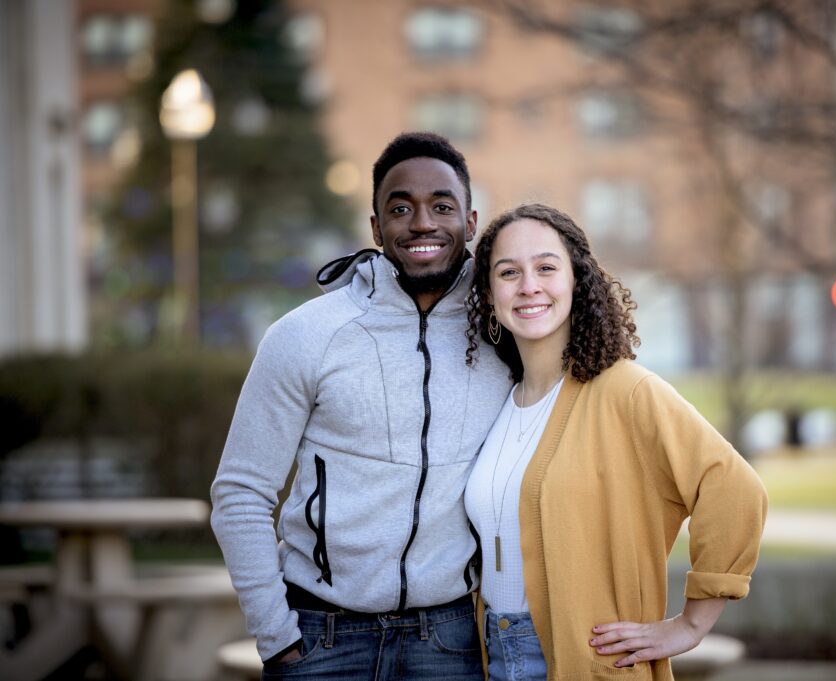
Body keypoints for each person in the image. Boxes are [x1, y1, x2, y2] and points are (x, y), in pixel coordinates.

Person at [211, 131, 511, 679]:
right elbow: (240, 493)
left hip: (449, 640)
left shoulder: (504, 336)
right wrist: (277, 638)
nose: (422, 222)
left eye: (442, 206)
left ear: (470, 223)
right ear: (376, 228)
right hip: (321, 639)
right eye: (401, 208)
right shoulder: (305, 335)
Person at [464, 203, 768, 681]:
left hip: (590, 659)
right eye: (508, 272)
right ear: (489, 292)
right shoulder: (501, 402)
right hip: (493, 656)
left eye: (546, 267)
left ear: (577, 282)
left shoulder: (625, 390)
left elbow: (733, 488)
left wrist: (689, 625)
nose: (528, 285)